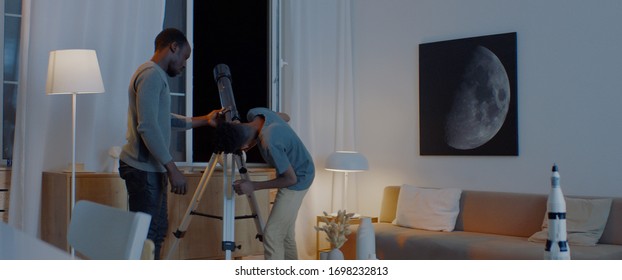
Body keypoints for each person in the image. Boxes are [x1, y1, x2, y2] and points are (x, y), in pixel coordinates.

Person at [118, 28, 225, 259]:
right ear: (173, 47)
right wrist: (173, 168)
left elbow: (163, 119)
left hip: (151, 169)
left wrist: (205, 120)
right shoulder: (151, 75)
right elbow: (147, 126)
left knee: (156, 233)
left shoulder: (153, 75)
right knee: (147, 237)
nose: (184, 64)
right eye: (185, 57)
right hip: (143, 170)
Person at [215, 107, 315, 260]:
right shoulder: (256, 113)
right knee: (285, 233)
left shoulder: (270, 141)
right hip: (302, 170)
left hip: (299, 178)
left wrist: (252, 185)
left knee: (272, 234)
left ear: (244, 146)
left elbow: (291, 179)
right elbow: (286, 116)